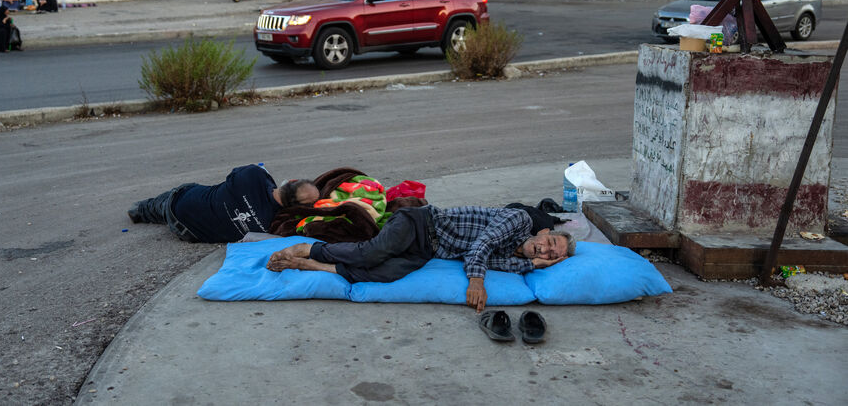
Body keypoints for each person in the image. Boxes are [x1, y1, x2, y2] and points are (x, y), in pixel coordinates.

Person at [268, 204, 576, 312]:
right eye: (550, 242)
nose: (546, 249)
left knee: (384, 273)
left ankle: (315, 265)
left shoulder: (518, 257)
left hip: (427, 250)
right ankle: (307, 249)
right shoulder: (520, 220)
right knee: (372, 253)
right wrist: (477, 281)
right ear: (543, 232)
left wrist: (531, 265)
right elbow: (482, 245)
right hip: (419, 222)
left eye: (552, 254)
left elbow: (488, 259)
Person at [127, 165, 319, 243]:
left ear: (292, 181)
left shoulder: (253, 175)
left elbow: (232, 177)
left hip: (181, 202)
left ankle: (141, 210)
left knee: (161, 204)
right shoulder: (272, 225)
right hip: (190, 234)